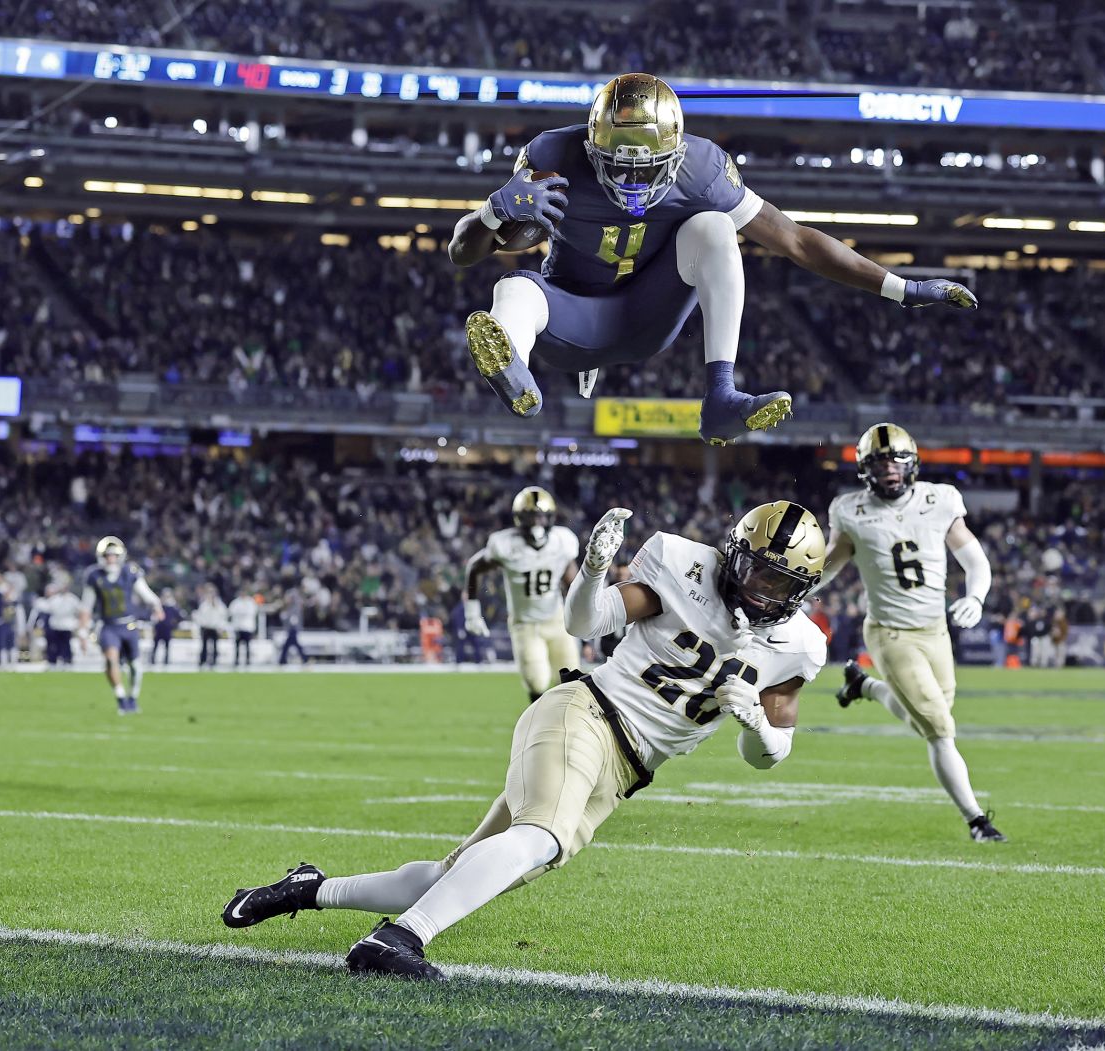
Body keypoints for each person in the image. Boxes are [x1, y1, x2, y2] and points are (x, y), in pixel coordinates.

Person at [221, 500, 828, 979]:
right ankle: (398, 938)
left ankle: (308, 889)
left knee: (454, 875)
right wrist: (591, 574)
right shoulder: (681, 566)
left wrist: (755, 725)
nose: (759, 591)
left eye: (779, 584)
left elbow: (771, 754)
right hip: (586, 714)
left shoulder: (799, 645)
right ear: (731, 554)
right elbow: (585, 623)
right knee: (539, 839)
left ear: (802, 590)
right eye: (753, 571)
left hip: (626, 771)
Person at [450, 72, 978, 446]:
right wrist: (494, 213)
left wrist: (898, 287)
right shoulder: (551, 157)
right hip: (572, 319)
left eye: (646, 167)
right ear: (591, 148)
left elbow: (794, 239)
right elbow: (463, 252)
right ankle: (514, 371)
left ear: (677, 153)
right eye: (618, 164)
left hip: (646, 314)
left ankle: (721, 395)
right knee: (514, 289)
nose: (632, 180)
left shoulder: (703, 169)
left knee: (714, 226)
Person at [821, 423, 1006, 843]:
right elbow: (830, 565)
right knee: (940, 728)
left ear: (912, 463)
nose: (888, 469)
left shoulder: (938, 500)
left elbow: (975, 559)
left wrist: (976, 597)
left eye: (895, 460)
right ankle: (978, 820)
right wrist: (787, 595)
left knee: (926, 718)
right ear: (864, 468)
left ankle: (864, 686)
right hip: (890, 633)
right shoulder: (851, 511)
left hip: (935, 631)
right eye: (879, 462)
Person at [463, 486, 581, 702]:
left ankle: (565, 728)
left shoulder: (562, 542)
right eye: (532, 517)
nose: (538, 523)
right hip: (525, 625)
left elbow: (571, 581)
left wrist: (584, 611)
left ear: (551, 518)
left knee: (572, 681)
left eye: (542, 517)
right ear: (520, 518)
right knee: (537, 681)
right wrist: (472, 611)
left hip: (557, 621)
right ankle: (538, 727)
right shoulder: (505, 544)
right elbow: (474, 567)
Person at [79, 536, 164, 714]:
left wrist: (156, 605)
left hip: (129, 625)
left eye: (113, 555)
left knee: (135, 666)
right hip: (108, 625)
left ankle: (132, 697)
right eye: (107, 555)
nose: (111, 559)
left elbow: (145, 593)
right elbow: (86, 606)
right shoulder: (94, 576)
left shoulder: (130, 572)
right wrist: (82, 632)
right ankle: (120, 696)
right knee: (111, 659)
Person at [194, 584, 227, 669]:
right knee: (204, 646)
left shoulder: (220, 605)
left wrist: (221, 627)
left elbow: (223, 616)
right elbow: (200, 616)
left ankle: (214, 662)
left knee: (215, 646)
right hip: (206, 627)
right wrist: (201, 625)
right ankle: (202, 661)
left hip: (215, 628)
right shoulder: (204, 604)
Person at [228, 589, 260, 666]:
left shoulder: (251, 602)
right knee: (237, 645)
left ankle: (248, 660)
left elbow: (254, 612)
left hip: (247, 627)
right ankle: (236, 660)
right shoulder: (236, 602)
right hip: (238, 627)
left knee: (248, 645)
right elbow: (231, 612)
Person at [152, 588, 180, 665]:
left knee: (167, 647)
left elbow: (178, 617)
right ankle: (152, 660)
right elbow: (154, 616)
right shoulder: (159, 605)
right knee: (155, 645)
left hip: (167, 628)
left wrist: (173, 624)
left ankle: (166, 661)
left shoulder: (173, 606)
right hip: (159, 628)